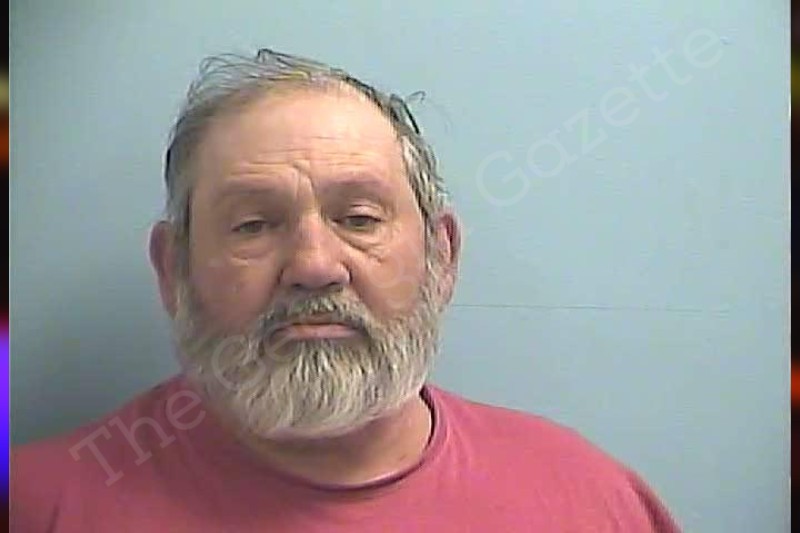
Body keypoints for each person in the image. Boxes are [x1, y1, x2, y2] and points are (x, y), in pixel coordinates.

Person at [10, 48, 681, 532]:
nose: (314, 265)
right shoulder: (39, 506)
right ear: (173, 270)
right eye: (253, 224)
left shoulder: (593, 503)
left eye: (359, 219)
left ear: (442, 257)